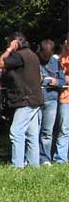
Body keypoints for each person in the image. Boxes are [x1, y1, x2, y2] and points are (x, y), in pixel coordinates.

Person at [0, 32, 43, 168]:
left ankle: (17, 166)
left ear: (15, 43)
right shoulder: (32, 54)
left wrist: (9, 49)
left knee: (16, 132)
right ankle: (34, 166)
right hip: (35, 99)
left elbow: (0, 63)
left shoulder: (19, 56)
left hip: (26, 100)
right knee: (32, 135)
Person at [37, 39, 65, 165]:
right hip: (36, 100)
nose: (46, 58)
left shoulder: (56, 62)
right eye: (44, 55)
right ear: (40, 51)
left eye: (49, 55)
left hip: (51, 100)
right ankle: (31, 157)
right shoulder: (34, 61)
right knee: (33, 131)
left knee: (47, 132)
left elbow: (63, 81)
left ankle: (45, 159)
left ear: (52, 52)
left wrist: (56, 82)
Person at [53, 35, 69, 163]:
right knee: (64, 129)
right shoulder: (60, 59)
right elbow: (59, 77)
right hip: (65, 98)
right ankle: (61, 158)